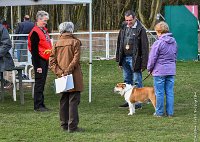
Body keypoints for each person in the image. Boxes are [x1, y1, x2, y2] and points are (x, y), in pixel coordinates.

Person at [49, 22, 84, 133]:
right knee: (73, 100)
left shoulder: (56, 43)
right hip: (73, 75)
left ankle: (64, 124)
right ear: (71, 30)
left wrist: (60, 72)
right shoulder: (75, 42)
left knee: (63, 100)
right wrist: (67, 71)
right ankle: (72, 126)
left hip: (61, 76)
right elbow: (76, 59)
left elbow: (51, 62)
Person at [116, 10, 149, 108]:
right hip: (125, 58)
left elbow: (145, 47)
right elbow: (119, 43)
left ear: (135, 18)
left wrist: (144, 63)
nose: (128, 22)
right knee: (127, 80)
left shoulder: (140, 29)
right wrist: (119, 59)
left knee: (137, 81)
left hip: (135, 59)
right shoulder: (123, 27)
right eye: (126, 20)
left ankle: (138, 102)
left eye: (130, 20)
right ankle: (130, 100)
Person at [147, 21, 177, 117]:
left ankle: (159, 112)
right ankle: (170, 112)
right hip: (171, 70)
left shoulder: (158, 43)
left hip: (159, 71)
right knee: (169, 92)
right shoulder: (174, 42)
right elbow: (175, 56)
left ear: (159, 31)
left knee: (159, 93)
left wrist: (149, 69)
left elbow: (152, 58)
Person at [28, 11, 52, 112]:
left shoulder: (43, 31)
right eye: (44, 20)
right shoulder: (35, 32)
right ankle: (37, 106)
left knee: (42, 83)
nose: (45, 22)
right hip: (39, 61)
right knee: (39, 83)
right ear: (39, 19)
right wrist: (37, 65)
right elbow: (34, 50)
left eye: (46, 21)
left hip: (45, 59)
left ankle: (41, 104)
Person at [0, 22, 15, 88]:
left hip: (2, 58)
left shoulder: (1, 28)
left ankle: (4, 81)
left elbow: (7, 44)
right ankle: (4, 82)